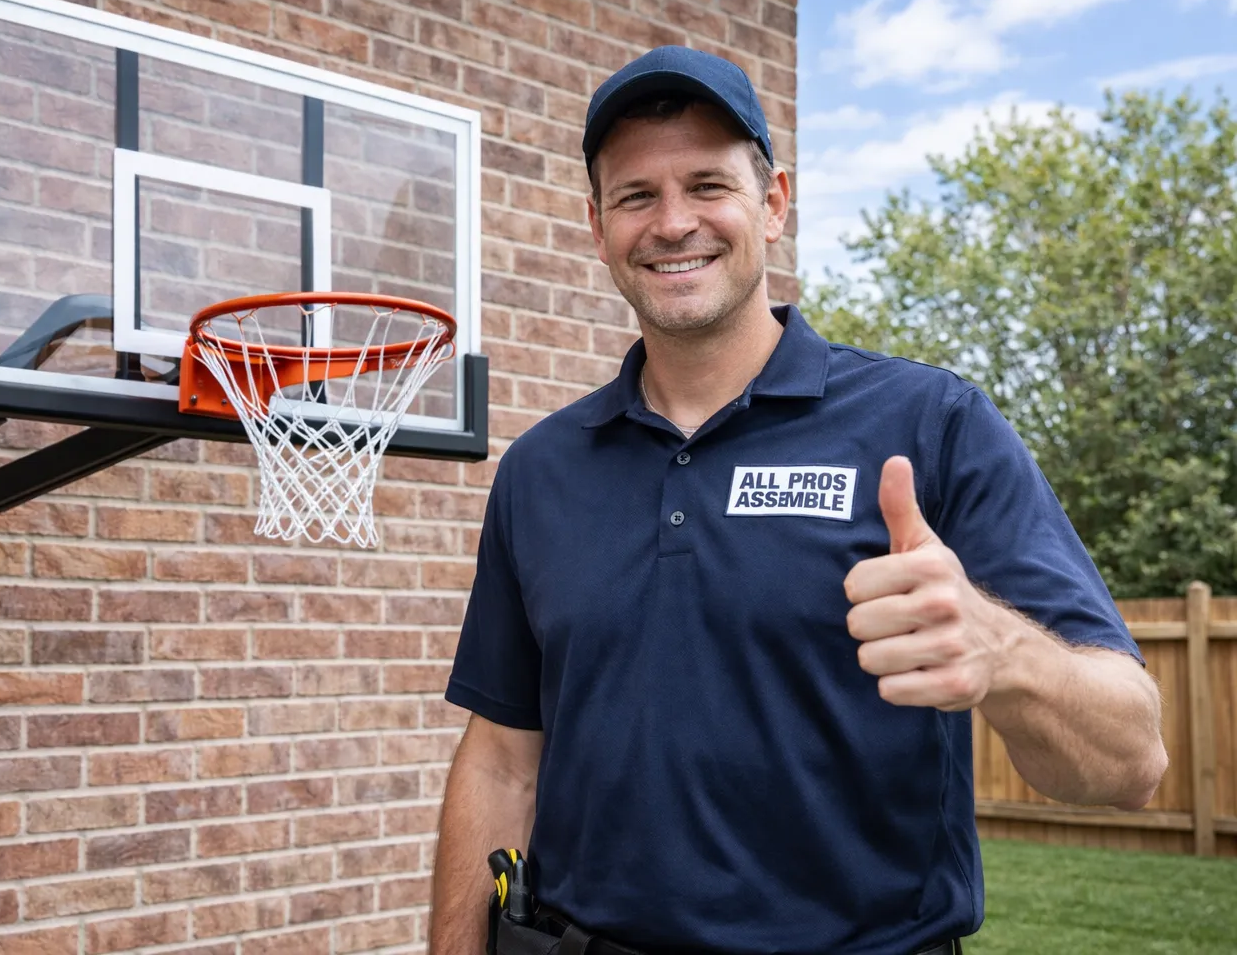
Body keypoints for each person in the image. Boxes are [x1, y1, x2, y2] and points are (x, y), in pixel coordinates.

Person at [429, 46, 1168, 955]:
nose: (672, 223)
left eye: (709, 185)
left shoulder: (929, 423)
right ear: (596, 224)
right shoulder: (543, 469)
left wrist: (1002, 647)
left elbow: (1133, 760)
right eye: (635, 196)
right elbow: (503, 759)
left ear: (774, 203)